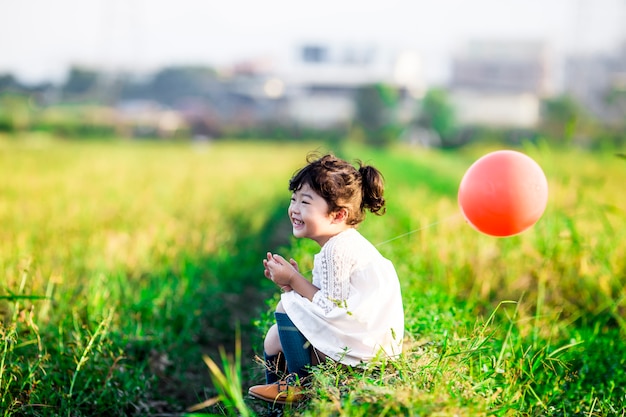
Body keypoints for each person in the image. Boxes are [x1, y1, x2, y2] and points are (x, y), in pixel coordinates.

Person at [248, 153, 404, 405]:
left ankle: (299, 385)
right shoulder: (340, 244)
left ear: (338, 215)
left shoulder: (337, 250)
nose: (294, 209)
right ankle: (277, 392)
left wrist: (295, 283)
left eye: (306, 202)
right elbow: (331, 302)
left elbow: (331, 307)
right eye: (293, 199)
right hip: (361, 342)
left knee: (286, 306)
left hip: (358, 351)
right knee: (275, 337)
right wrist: (293, 282)